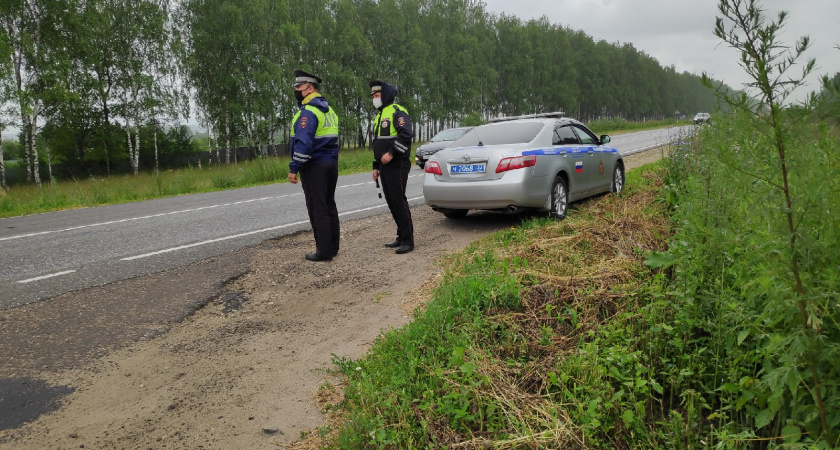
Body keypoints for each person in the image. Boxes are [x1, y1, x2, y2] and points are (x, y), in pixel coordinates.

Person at [288, 69, 340, 262]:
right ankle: (333, 247)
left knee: (317, 208)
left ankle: (324, 252)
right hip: (331, 163)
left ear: (310, 88)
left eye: (299, 87)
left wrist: (294, 167)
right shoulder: (329, 110)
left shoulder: (308, 112)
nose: (297, 91)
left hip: (314, 165)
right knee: (329, 205)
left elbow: (304, 143)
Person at [369, 79, 415, 254]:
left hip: (398, 163)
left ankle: (408, 241)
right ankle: (401, 235)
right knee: (391, 202)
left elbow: (406, 135)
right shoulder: (379, 115)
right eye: (373, 95)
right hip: (384, 166)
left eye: (377, 94)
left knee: (398, 200)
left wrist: (391, 153)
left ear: (386, 94)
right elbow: (377, 144)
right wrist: (376, 165)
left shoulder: (398, 112)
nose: (374, 98)